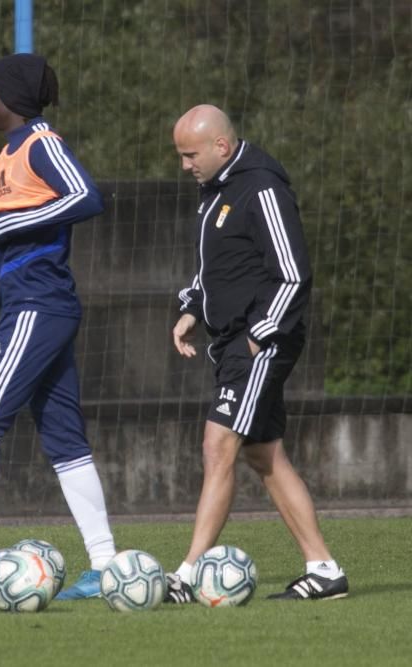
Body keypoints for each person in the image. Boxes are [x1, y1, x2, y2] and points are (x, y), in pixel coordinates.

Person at [0, 53, 116, 601]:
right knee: (64, 440)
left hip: (38, 304)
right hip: (35, 304)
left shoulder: (41, 143)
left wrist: (8, 221)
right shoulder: (6, 155)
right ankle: (107, 565)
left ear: (10, 98)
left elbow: (85, 197)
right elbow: (10, 213)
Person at [166, 104, 348, 602]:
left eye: (189, 155)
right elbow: (219, 267)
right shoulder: (215, 192)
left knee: (218, 445)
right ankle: (324, 569)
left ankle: (186, 575)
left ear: (220, 147)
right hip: (232, 341)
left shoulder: (262, 186)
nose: (184, 165)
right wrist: (192, 310)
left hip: (262, 340)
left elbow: (293, 273)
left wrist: (258, 335)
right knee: (263, 454)